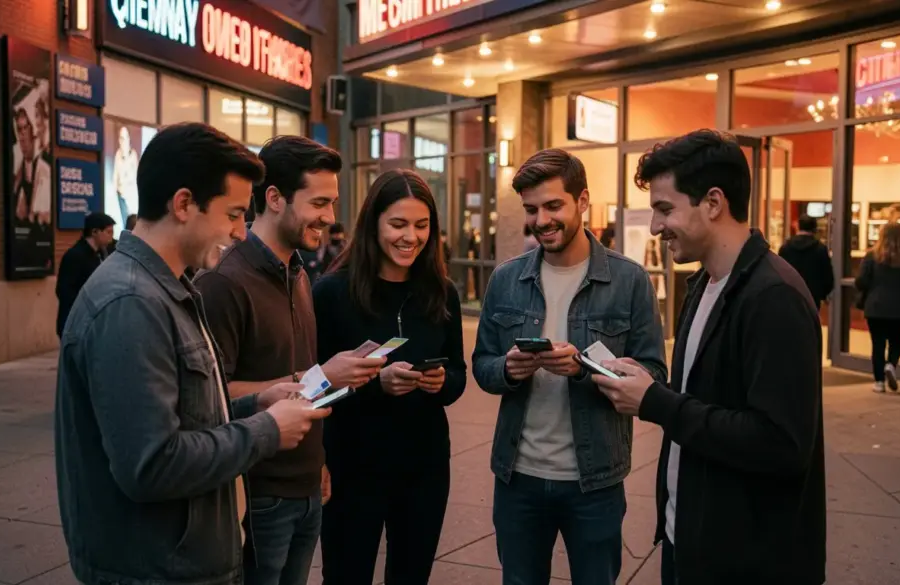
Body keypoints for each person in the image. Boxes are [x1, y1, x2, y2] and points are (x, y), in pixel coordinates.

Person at [54, 122, 331, 585]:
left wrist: (250, 405)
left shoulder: (166, 290)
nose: (241, 233)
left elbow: (185, 416)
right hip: (158, 569)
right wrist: (265, 430)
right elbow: (152, 464)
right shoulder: (132, 303)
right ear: (184, 204)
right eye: (233, 214)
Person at [590, 129, 825, 585]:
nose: (655, 227)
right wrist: (653, 386)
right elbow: (712, 400)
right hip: (691, 543)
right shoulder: (703, 284)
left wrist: (656, 402)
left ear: (713, 203)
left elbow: (780, 443)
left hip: (745, 561)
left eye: (665, 209)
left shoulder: (773, 296)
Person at [472, 148, 667, 585]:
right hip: (517, 479)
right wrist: (507, 368)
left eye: (553, 205)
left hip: (594, 481)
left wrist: (584, 370)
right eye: (531, 210)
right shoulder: (506, 278)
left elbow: (655, 375)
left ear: (582, 201)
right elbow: (482, 366)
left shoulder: (629, 280)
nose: (541, 220)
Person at [195, 136, 385, 585]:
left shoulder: (299, 273)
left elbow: (295, 380)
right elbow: (209, 397)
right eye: (319, 201)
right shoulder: (224, 282)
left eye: (333, 202)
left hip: (305, 488)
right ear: (275, 198)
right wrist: (320, 375)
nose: (331, 216)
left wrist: (316, 462)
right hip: (258, 494)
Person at [313, 169, 467, 585]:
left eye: (421, 226)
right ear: (373, 224)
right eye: (398, 224)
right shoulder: (331, 293)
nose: (410, 237)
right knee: (346, 575)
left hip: (424, 465)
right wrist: (374, 385)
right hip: (353, 465)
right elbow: (312, 387)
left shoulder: (442, 291)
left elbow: (458, 375)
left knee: (411, 575)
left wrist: (441, 383)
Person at [855, 221, 900, 392]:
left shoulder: (871, 256)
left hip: (876, 306)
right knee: (896, 342)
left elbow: (861, 281)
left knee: (877, 344)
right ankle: (890, 365)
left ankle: (879, 382)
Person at [55, 212, 115, 338]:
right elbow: (64, 291)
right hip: (76, 324)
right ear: (95, 232)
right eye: (108, 232)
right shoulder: (75, 256)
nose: (112, 237)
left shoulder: (100, 253)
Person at [779, 214, 834, 309]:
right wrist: (822, 294)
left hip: (789, 296)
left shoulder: (786, 248)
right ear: (814, 229)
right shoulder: (820, 249)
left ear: (798, 226)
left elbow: (778, 272)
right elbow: (828, 277)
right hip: (812, 297)